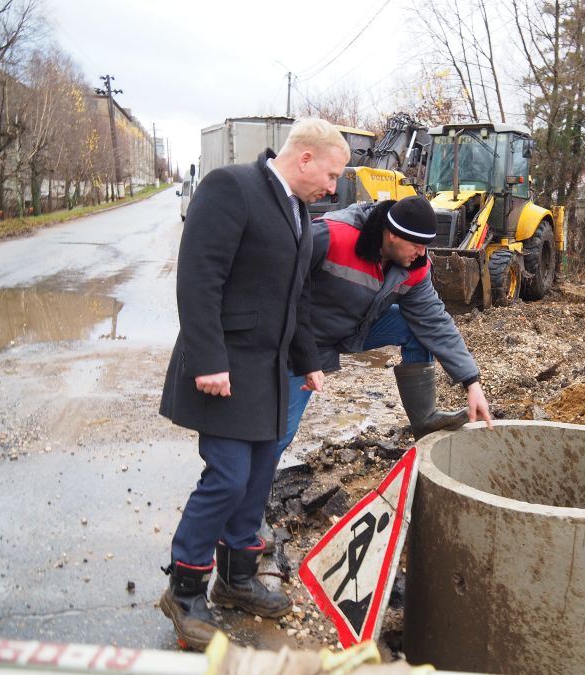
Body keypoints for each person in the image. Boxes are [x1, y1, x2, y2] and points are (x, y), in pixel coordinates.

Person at [158, 118, 350, 651]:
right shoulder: (232, 186)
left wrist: (307, 360)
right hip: (223, 368)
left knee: (260, 474)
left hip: (270, 372)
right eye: (332, 175)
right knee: (227, 476)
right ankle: (185, 591)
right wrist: (207, 358)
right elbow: (199, 276)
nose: (334, 188)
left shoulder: (298, 208)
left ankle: (237, 582)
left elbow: (297, 297)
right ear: (306, 159)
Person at [278, 195, 493, 477]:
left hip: (356, 327)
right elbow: (276, 280)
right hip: (304, 342)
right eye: (416, 245)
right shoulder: (332, 236)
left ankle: (425, 419)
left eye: (425, 245)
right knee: (280, 430)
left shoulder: (415, 267)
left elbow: (434, 322)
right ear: (391, 234)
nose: (421, 253)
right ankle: (247, 510)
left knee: (413, 325)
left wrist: (471, 382)